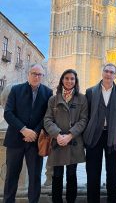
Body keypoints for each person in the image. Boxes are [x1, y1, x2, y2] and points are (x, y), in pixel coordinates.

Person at [3, 63, 53, 203]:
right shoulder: (16, 90)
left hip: (36, 141)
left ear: (43, 76)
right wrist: (24, 130)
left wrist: (34, 132)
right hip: (15, 140)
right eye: (34, 73)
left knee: (35, 177)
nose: (36, 77)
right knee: (11, 176)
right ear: (28, 74)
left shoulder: (48, 92)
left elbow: (47, 116)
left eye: (39, 74)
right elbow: (8, 113)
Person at [44, 69, 88, 203]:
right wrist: (57, 135)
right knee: (56, 176)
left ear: (76, 81)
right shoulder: (53, 99)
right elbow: (47, 120)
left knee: (71, 175)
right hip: (57, 143)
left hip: (73, 142)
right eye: (67, 78)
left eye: (72, 79)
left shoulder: (82, 98)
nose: (69, 81)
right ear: (62, 80)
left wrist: (70, 135)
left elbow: (83, 120)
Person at [83, 63, 116, 203]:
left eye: (111, 72)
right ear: (102, 73)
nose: (108, 74)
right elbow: (86, 115)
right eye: (106, 71)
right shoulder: (90, 92)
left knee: (113, 174)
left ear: (115, 75)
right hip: (94, 135)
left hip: (113, 137)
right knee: (93, 174)